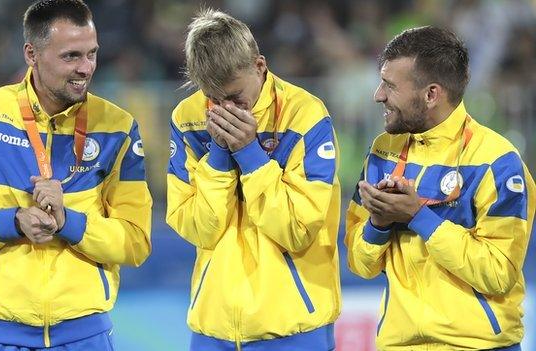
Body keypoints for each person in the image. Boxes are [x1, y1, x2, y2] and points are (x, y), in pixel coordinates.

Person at [0, 1, 152, 350]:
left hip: (84, 335)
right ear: (32, 53)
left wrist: (69, 223)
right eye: (71, 56)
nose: (86, 68)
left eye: (92, 54)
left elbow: (136, 242)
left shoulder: (118, 128)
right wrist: (12, 221)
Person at [345, 26, 534, 351]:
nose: (378, 94)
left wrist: (419, 216)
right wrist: (378, 224)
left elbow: (498, 272)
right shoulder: (383, 151)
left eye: (390, 85)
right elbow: (360, 264)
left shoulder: (497, 162)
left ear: (431, 94)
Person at [166, 8, 341, 351]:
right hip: (212, 330)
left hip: (295, 330)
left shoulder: (305, 115)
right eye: (212, 99)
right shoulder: (187, 118)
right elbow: (197, 229)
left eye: (233, 97)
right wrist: (218, 156)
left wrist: (249, 153)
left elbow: (296, 228)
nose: (223, 108)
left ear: (259, 66)